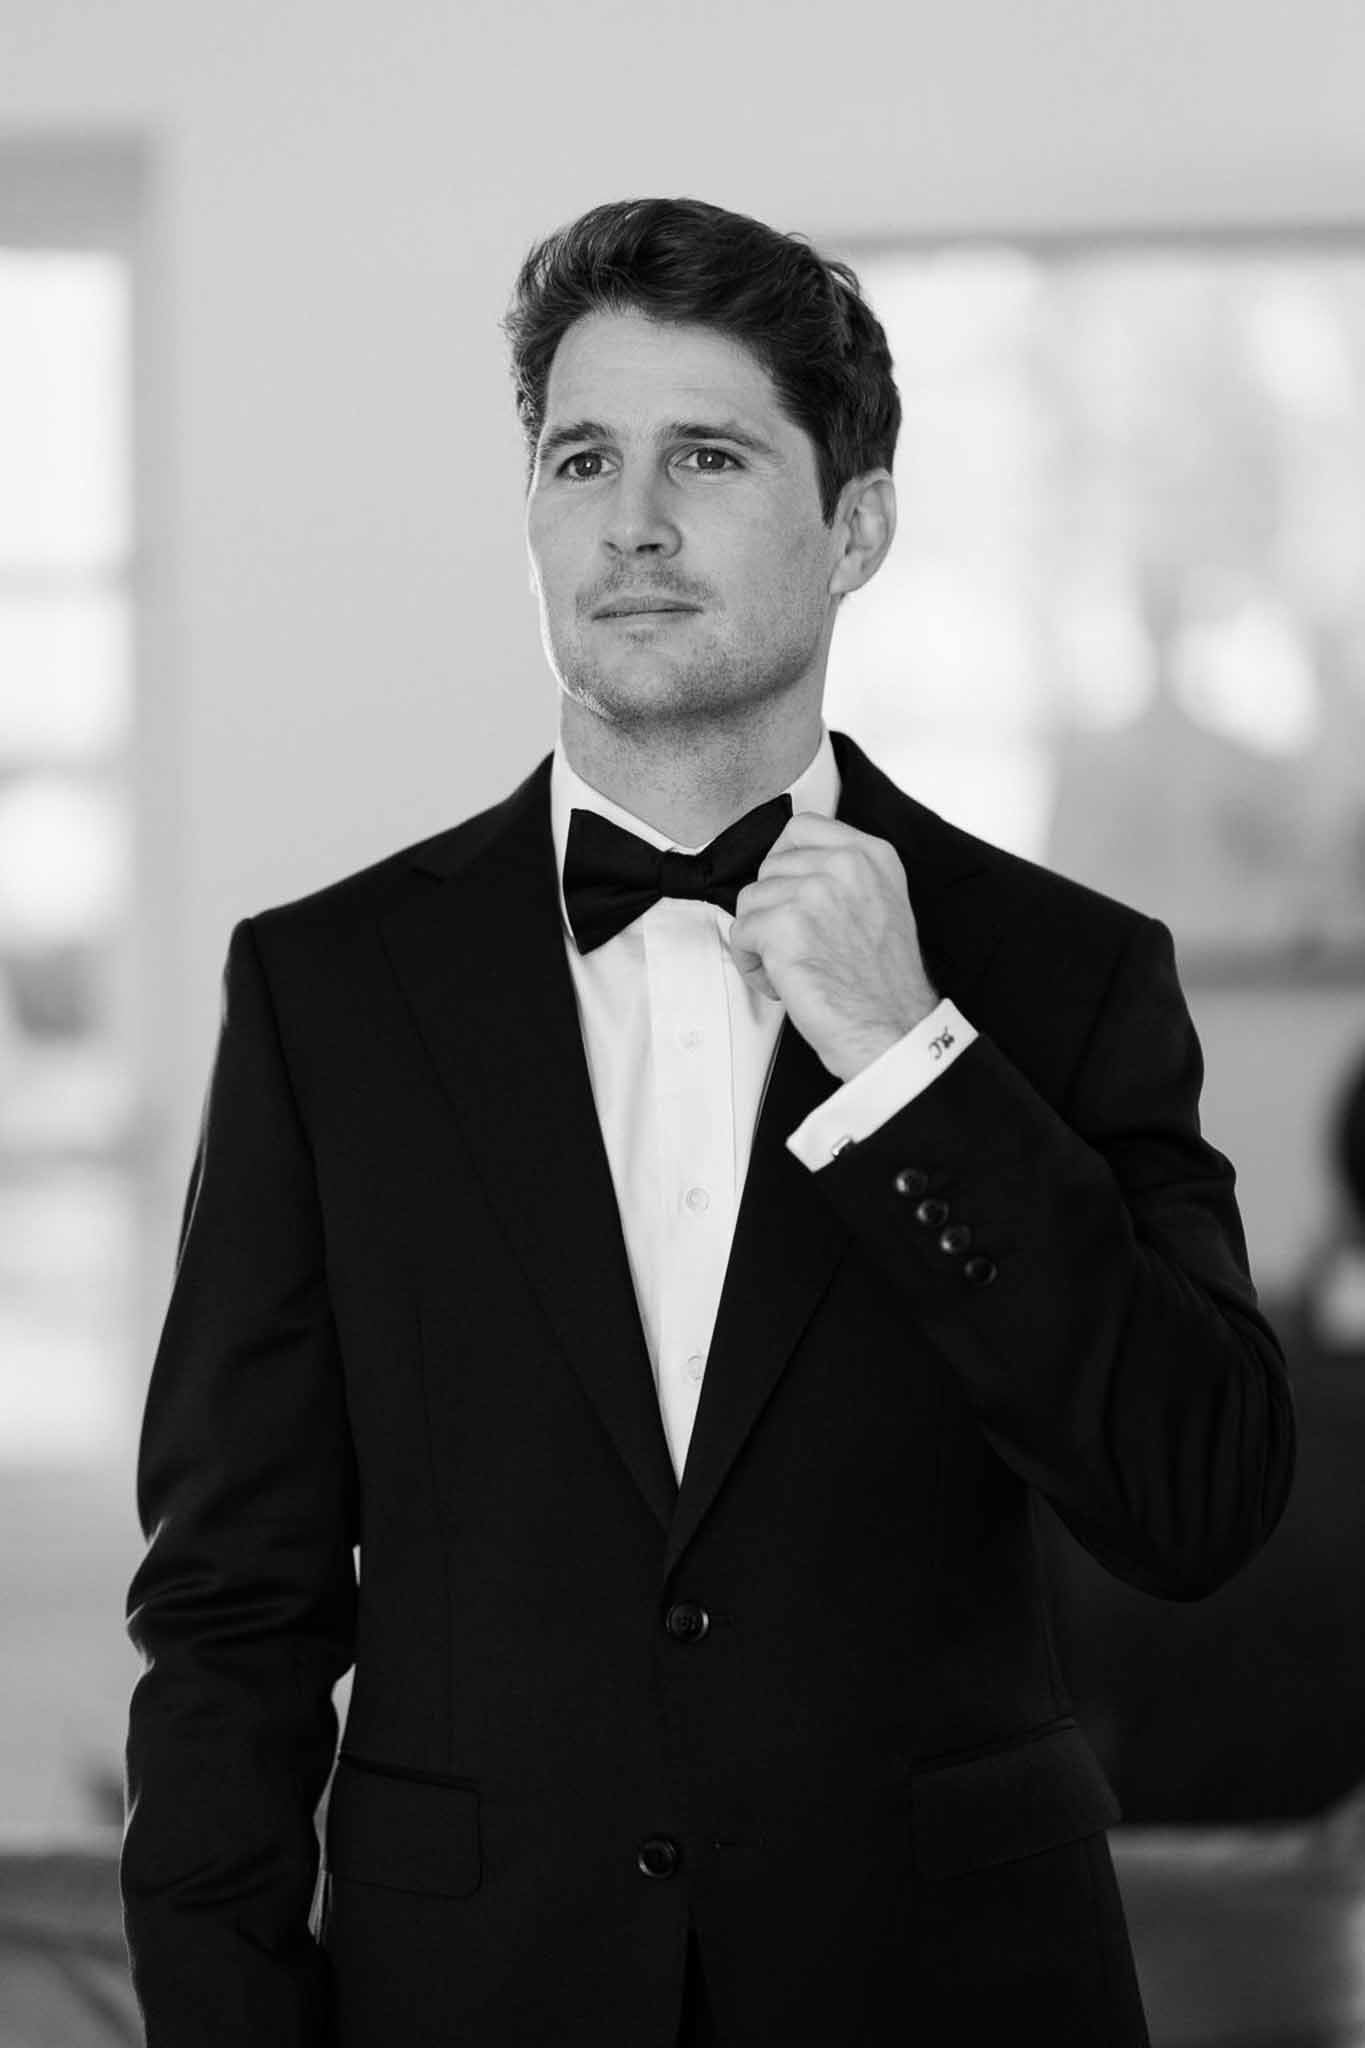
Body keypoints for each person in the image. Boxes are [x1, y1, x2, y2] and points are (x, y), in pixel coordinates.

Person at [119, 196, 1295, 2047]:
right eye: (581, 458)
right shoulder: (327, 992)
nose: (632, 522)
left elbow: (1193, 1500)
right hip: (474, 1998)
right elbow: (228, 1611)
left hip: (947, 1996)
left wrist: (909, 1062)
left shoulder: (1064, 975)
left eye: (709, 456)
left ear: (856, 525)